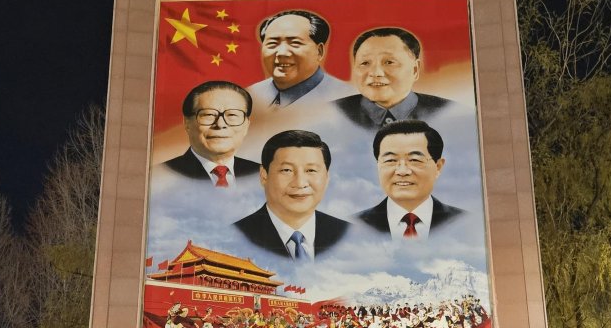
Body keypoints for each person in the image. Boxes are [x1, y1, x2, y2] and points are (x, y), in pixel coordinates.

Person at [234, 129, 350, 260]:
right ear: (264, 175)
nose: (300, 183)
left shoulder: (347, 233)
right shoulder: (235, 236)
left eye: (311, 170)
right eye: (287, 170)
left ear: (327, 177)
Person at [356, 120, 465, 239]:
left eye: (414, 160)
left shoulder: (464, 223)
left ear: (438, 166)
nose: (402, 171)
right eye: (390, 160)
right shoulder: (356, 225)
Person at [333, 27, 452, 130]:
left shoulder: (448, 113)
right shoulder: (334, 113)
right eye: (365, 63)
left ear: (415, 69)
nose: (376, 73)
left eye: (389, 62)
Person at [249, 11, 352, 111]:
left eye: (295, 43)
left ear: (319, 51)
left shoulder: (348, 99)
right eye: (272, 43)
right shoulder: (249, 96)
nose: (282, 53)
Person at [162, 81, 259, 186]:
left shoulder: (261, 174)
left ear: (246, 125)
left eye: (232, 115)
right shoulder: (162, 176)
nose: (220, 124)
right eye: (209, 114)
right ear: (187, 123)